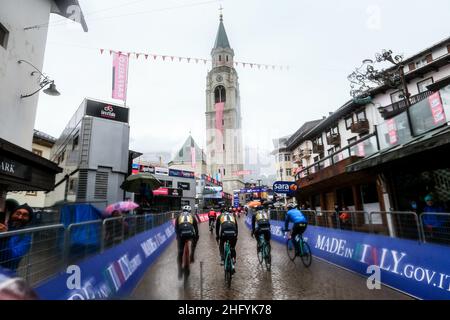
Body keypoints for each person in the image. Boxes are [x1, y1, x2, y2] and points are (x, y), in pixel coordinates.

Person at [0, 204, 34, 271]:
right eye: (17, 213)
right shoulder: (4, 227)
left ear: (29, 219)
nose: (20, 217)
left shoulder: (25, 237)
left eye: (25, 215)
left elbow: (13, 258)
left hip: (5, 273)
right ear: (12, 215)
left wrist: (4, 237)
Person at [174, 205, 199, 279]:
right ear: (189, 211)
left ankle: (179, 271)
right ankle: (192, 255)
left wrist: (178, 236)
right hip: (190, 234)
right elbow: (196, 229)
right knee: (194, 240)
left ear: (182, 211)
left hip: (181, 234)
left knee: (180, 252)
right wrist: (196, 237)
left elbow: (176, 229)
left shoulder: (178, 216)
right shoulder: (192, 216)